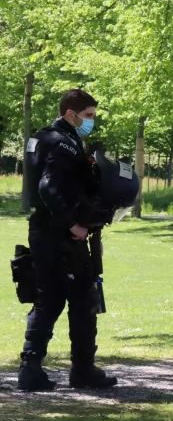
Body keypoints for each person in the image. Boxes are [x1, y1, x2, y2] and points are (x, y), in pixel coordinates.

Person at [18, 89, 117, 391]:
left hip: (45, 230)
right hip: (59, 233)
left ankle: (40, 368)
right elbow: (49, 187)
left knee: (58, 298)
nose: (90, 122)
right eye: (87, 117)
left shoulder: (43, 138)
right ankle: (75, 370)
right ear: (70, 114)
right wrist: (73, 223)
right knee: (69, 299)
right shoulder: (63, 144)